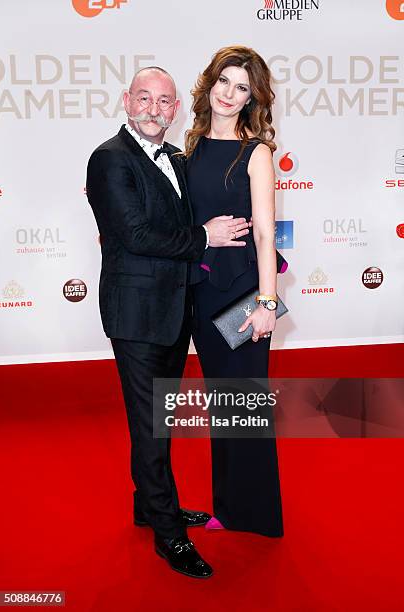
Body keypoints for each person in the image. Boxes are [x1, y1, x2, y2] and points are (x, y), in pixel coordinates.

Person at [86, 66, 251, 578]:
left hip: (176, 310)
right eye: (145, 98)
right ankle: (168, 534)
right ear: (126, 101)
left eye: (164, 101)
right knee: (149, 429)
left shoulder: (177, 159)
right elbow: (136, 235)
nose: (154, 108)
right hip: (135, 315)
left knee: (161, 419)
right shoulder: (109, 160)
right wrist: (205, 238)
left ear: (176, 109)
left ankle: (149, 505)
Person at [186, 46, 284, 537]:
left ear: (252, 98)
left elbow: (267, 235)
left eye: (241, 87)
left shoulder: (256, 152)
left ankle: (257, 513)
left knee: (245, 404)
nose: (229, 93)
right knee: (220, 401)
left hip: (244, 292)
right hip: (204, 290)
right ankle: (228, 504)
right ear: (210, 84)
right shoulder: (192, 146)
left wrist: (268, 304)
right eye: (224, 81)